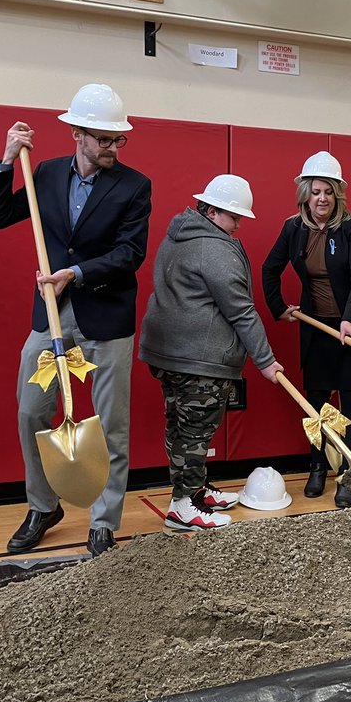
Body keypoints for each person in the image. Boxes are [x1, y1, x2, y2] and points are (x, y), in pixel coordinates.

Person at [0, 84, 151, 556]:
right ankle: (43, 504)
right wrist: (6, 158)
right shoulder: (46, 173)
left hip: (106, 315)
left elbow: (130, 254)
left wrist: (74, 273)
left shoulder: (135, 186)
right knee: (31, 410)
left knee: (109, 422)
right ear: (77, 133)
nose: (113, 149)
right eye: (104, 140)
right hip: (52, 315)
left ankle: (104, 518)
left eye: (119, 140)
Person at [139, 175, 284, 531]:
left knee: (180, 426)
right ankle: (183, 506)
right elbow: (241, 311)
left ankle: (193, 490)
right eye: (234, 217)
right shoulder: (215, 249)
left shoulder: (179, 234)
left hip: (167, 354)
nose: (238, 225)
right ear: (214, 211)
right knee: (196, 433)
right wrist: (265, 360)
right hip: (200, 359)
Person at [261, 151, 351, 510]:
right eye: (316, 191)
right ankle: (317, 467)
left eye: (329, 192)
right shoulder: (293, 228)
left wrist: (349, 318)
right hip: (317, 328)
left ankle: (349, 472)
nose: (322, 199)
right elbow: (269, 269)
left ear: (338, 196)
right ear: (306, 193)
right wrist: (279, 308)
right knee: (316, 400)